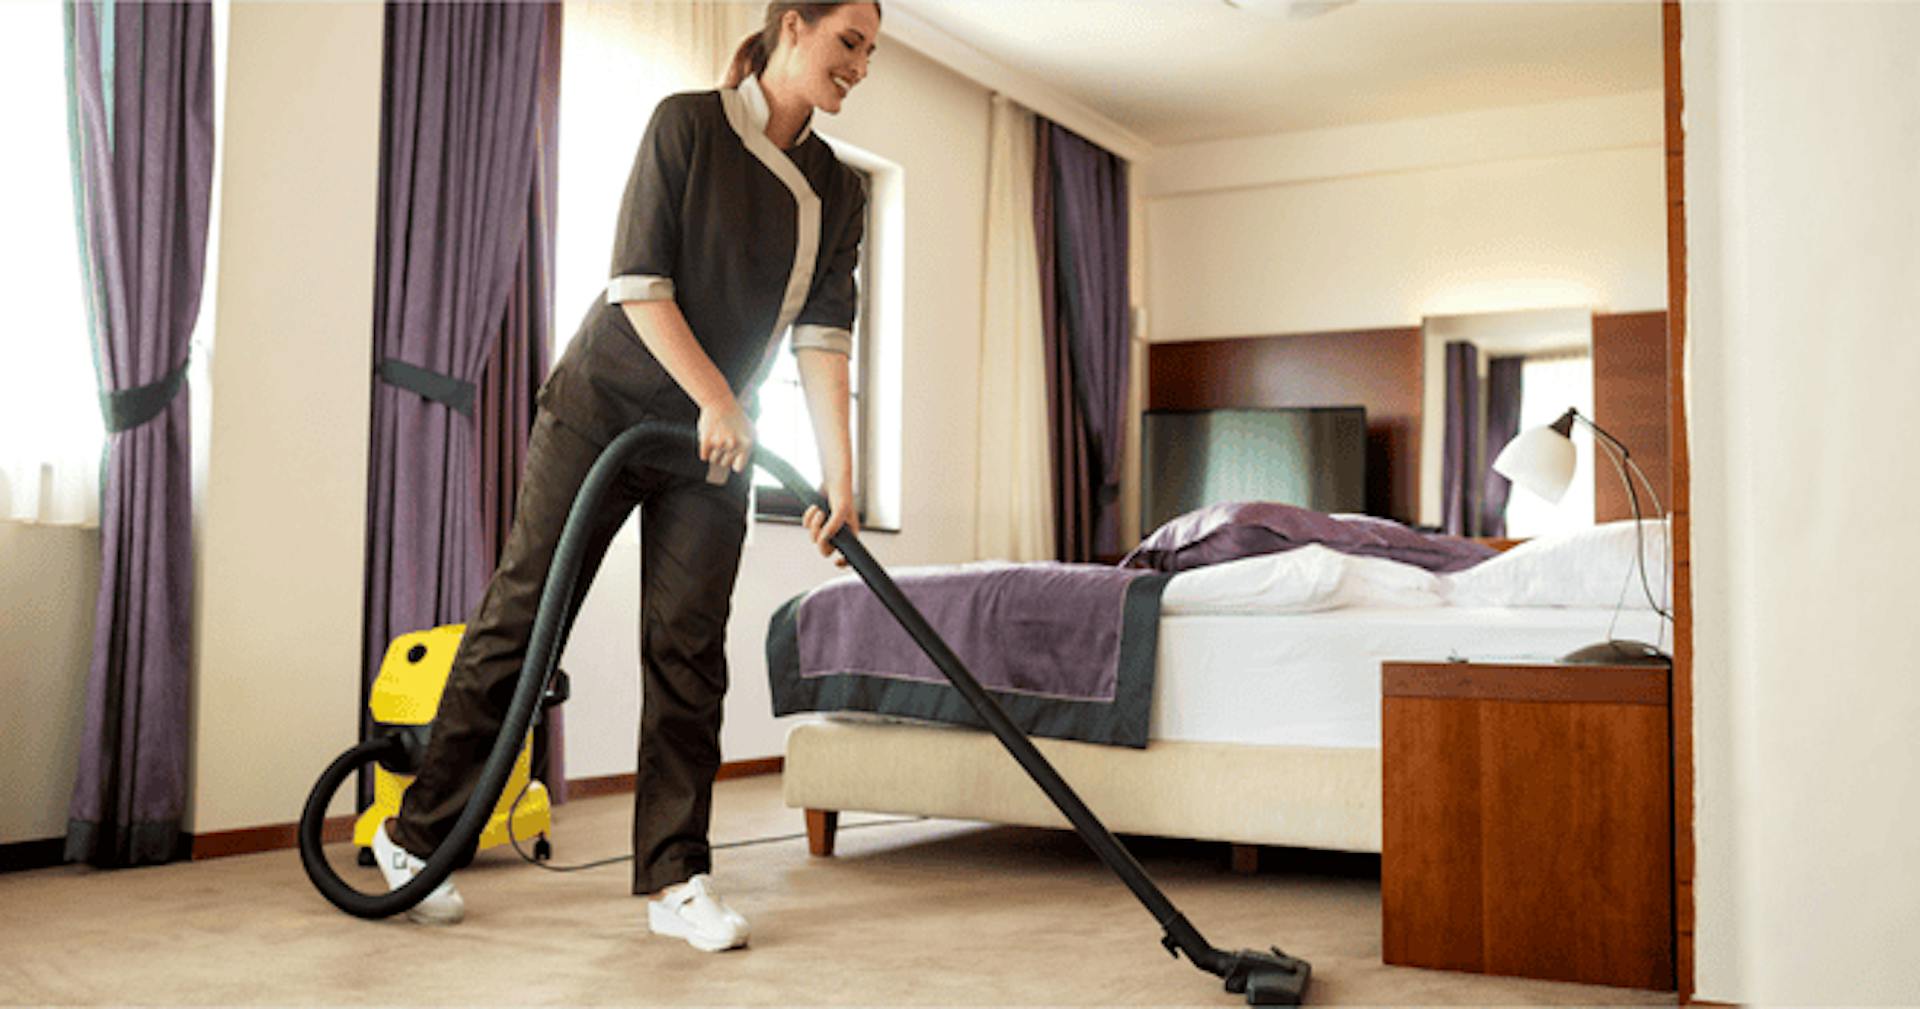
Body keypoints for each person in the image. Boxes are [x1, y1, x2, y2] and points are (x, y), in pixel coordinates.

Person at [369, 1, 882, 954]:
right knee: (525, 617)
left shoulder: (839, 191)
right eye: (849, 42)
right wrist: (719, 397)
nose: (861, 65)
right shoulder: (685, 123)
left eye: (871, 52)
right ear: (793, 27)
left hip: (712, 442)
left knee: (688, 647)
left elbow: (822, 340)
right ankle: (415, 838)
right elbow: (638, 284)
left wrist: (840, 478)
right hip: (605, 407)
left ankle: (677, 875)